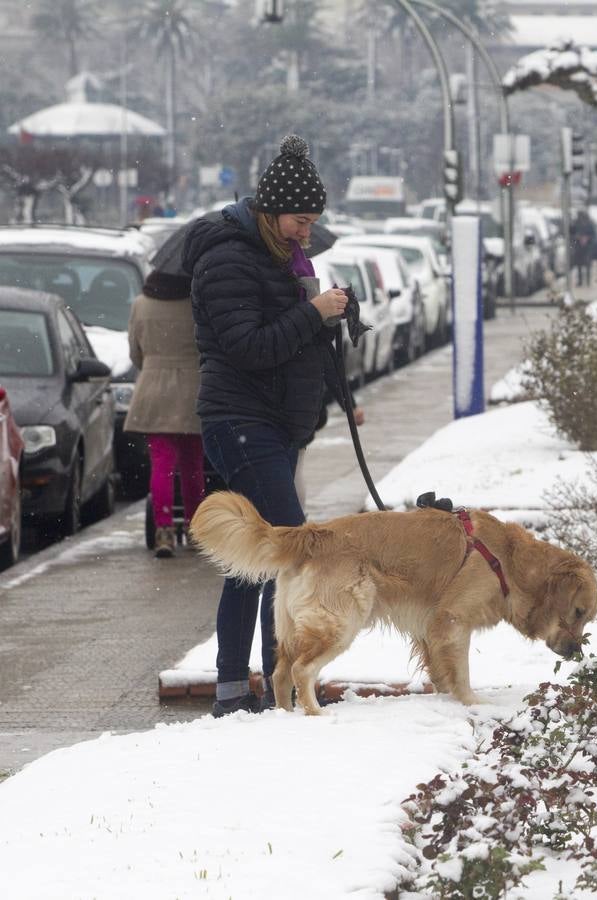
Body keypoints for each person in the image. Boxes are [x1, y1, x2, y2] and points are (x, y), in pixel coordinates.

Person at [182, 134, 352, 717]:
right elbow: (248, 347)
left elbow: (287, 339)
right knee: (290, 549)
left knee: (256, 559)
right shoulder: (228, 258)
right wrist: (312, 312)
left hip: (269, 423)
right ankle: (276, 683)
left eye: (312, 221)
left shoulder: (281, 258)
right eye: (301, 220)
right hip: (241, 420)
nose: (308, 232)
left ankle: (236, 691)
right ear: (271, 211)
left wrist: (329, 317)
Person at [125, 268, 204, 558]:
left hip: (154, 388)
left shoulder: (140, 304)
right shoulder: (195, 302)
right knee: (193, 464)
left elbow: (135, 352)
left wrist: (154, 365)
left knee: (162, 464)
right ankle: (196, 529)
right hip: (192, 389)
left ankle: (164, 530)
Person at [571, 209, 596, 287]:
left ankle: (587, 281)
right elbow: (571, 233)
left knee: (587, 264)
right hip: (579, 247)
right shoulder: (576, 223)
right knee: (579, 265)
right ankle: (581, 281)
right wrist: (577, 237)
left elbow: (593, 235)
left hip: (587, 247)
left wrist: (587, 238)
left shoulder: (589, 224)